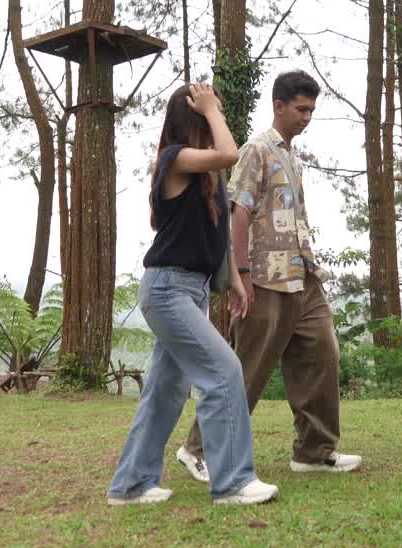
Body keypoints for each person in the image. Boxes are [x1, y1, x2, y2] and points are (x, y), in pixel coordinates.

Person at [175, 71, 362, 483]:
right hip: (263, 279)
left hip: (303, 276)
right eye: (301, 109)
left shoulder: (291, 156)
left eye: (311, 110)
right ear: (278, 106)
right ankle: (197, 449)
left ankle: (315, 451)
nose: (307, 117)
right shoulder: (257, 149)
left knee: (322, 353)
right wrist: (240, 274)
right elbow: (238, 213)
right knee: (247, 369)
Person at [107, 83, 278, 506]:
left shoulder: (206, 176)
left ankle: (131, 485)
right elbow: (229, 153)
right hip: (167, 289)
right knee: (224, 372)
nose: (218, 114)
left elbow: (215, 232)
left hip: (191, 290)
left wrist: (233, 279)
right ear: (195, 119)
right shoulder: (174, 159)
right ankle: (233, 482)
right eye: (210, 112)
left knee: (166, 390)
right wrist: (211, 108)